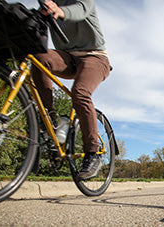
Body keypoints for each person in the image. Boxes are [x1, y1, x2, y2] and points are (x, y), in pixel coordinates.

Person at [32, 0, 111, 180]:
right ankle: (50, 121)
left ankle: (93, 153)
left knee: (80, 93)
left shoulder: (83, 2)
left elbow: (80, 10)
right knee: (38, 58)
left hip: (95, 58)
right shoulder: (48, 5)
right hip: (68, 58)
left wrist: (59, 10)